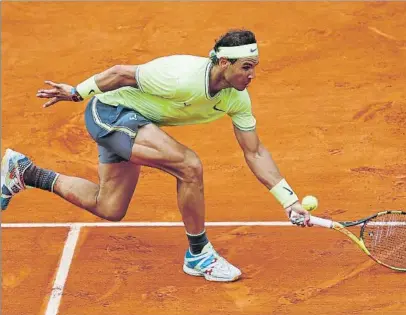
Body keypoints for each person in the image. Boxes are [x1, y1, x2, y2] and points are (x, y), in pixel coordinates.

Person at [1, 29, 311, 282]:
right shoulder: (179, 76)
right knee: (189, 166)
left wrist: (289, 200)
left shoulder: (237, 99)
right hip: (110, 113)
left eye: (254, 66)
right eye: (247, 67)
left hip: (134, 124)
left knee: (109, 206)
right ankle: (199, 254)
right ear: (225, 63)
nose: (252, 74)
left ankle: (25, 172)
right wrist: (76, 92)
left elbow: (254, 151)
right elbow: (121, 73)